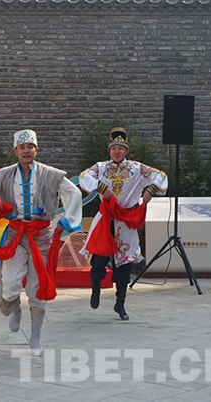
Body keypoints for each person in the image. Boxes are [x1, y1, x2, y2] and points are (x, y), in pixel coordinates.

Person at [0, 129, 82, 356]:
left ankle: (35, 337)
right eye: (22, 148)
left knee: (37, 287)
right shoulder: (3, 175)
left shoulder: (51, 174)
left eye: (30, 147)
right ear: (15, 151)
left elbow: (74, 193)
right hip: (15, 234)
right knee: (10, 282)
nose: (26, 151)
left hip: (42, 236)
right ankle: (14, 308)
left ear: (36, 150)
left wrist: (68, 221)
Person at [78, 127, 168, 320]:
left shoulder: (137, 168)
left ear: (126, 150)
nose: (116, 151)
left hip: (126, 221)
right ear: (109, 150)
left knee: (124, 265)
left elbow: (161, 175)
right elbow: (84, 177)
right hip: (105, 219)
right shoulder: (101, 167)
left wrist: (151, 190)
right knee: (98, 263)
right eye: (113, 148)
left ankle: (120, 303)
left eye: (120, 148)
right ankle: (95, 288)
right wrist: (101, 188)